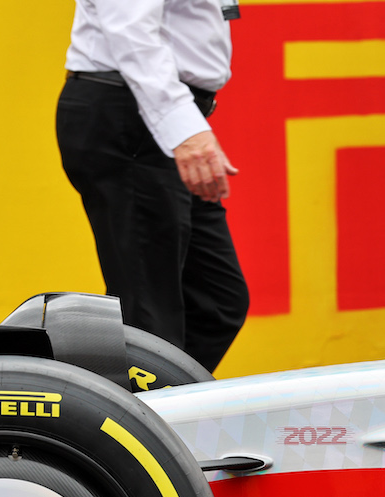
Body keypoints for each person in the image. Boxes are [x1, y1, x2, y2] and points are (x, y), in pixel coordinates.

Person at [56, 0, 250, 373]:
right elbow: (130, 31)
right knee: (150, 316)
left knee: (216, 301)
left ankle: (135, 404)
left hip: (156, 113)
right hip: (132, 112)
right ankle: (122, 420)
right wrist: (184, 130)